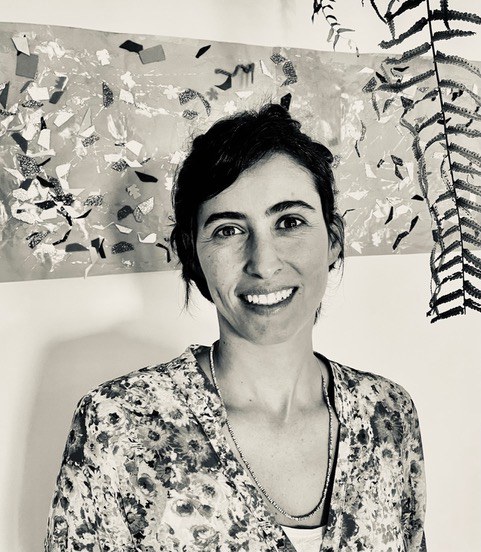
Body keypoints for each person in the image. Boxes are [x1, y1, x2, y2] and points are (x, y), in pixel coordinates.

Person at [45, 104, 426, 551]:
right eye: (228, 230)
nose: (263, 263)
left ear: (333, 240)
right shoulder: (119, 423)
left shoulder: (389, 414)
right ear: (192, 253)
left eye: (289, 222)